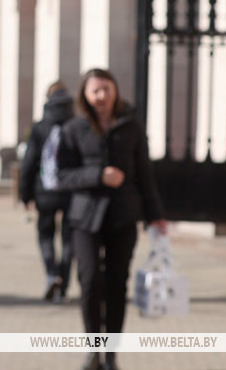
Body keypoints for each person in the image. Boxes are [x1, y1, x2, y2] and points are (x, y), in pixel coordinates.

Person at [57, 68, 167, 370]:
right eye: (96, 90)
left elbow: (145, 174)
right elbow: (62, 175)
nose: (102, 95)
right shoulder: (73, 129)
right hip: (85, 218)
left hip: (123, 217)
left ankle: (111, 354)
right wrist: (98, 175)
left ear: (115, 90)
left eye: (107, 88)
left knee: (117, 284)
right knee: (91, 281)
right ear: (86, 95)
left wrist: (156, 215)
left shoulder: (130, 127)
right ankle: (94, 348)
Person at [19, 81, 75, 303]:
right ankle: (64, 282)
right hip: (73, 191)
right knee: (70, 239)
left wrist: (25, 194)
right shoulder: (77, 125)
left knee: (45, 235)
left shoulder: (40, 127)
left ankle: (52, 275)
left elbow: (29, 162)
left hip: (45, 192)